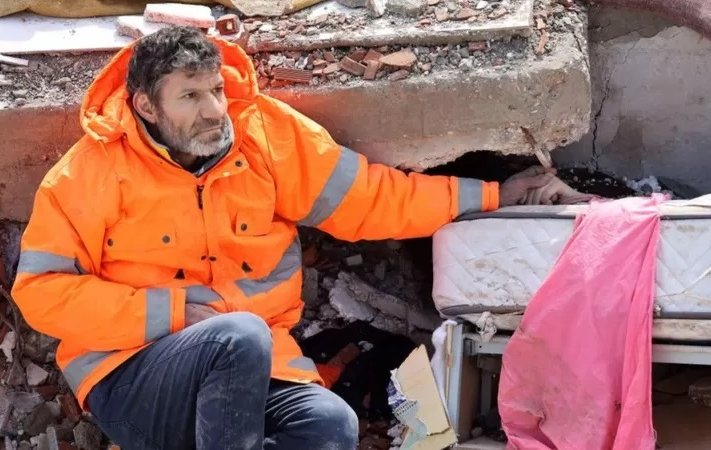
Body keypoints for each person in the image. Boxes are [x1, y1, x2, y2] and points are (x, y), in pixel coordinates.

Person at [11, 26, 579, 449]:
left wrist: (493, 195)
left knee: (332, 426)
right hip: (134, 380)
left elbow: (375, 199)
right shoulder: (89, 170)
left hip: (259, 367)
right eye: (190, 97)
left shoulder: (263, 135)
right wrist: (174, 312)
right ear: (144, 105)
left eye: (215, 90)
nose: (214, 111)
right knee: (239, 336)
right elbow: (40, 292)